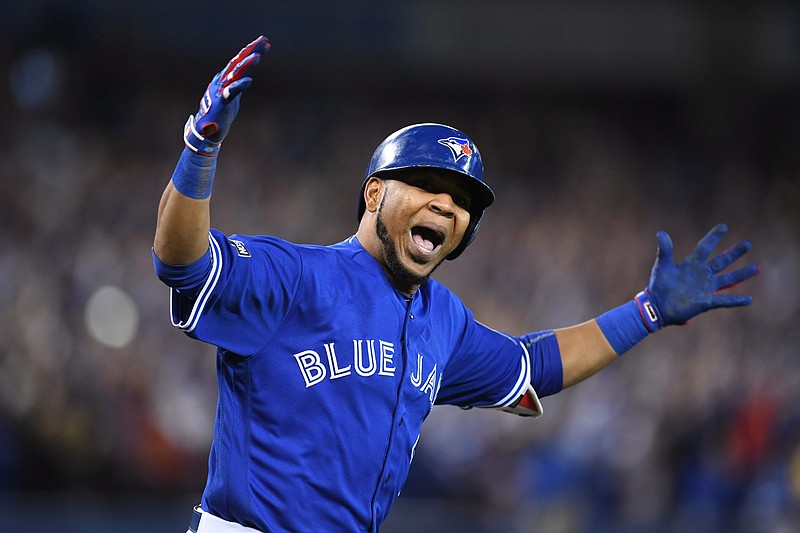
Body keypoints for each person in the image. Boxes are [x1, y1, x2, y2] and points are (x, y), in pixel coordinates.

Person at [152, 37, 759, 533]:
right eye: (426, 185)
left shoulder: (444, 320)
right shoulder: (294, 276)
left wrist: (646, 312)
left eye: (461, 199)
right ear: (373, 193)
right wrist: (200, 149)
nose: (445, 205)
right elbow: (181, 261)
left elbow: (534, 365)